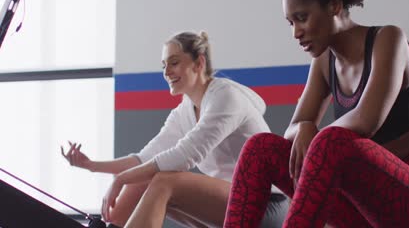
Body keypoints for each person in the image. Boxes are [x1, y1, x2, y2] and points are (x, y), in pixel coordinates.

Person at [222, 0, 409, 227]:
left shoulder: (388, 39)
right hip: (366, 208)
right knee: (260, 149)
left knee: (331, 141)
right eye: (291, 22)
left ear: (334, 6)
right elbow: (293, 131)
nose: (296, 32)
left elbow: (365, 122)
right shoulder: (324, 62)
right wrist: (304, 125)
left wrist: (313, 134)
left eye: (302, 17)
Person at [61, 31, 288, 228]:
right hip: (233, 203)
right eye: (164, 65)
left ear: (199, 64)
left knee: (164, 181)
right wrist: (91, 166)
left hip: (267, 205)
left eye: (174, 62)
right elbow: (144, 159)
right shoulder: (185, 111)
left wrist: (120, 180)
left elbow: (186, 155)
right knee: (145, 178)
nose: (166, 71)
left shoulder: (225, 97)